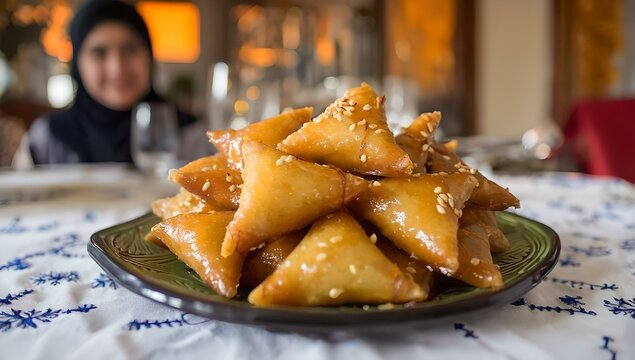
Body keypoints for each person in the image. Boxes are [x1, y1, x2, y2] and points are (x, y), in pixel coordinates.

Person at [14, 0, 197, 166]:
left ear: (149, 56)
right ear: (78, 63)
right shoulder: (47, 140)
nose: (117, 68)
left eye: (130, 49)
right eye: (99, 52)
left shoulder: (193, 136)